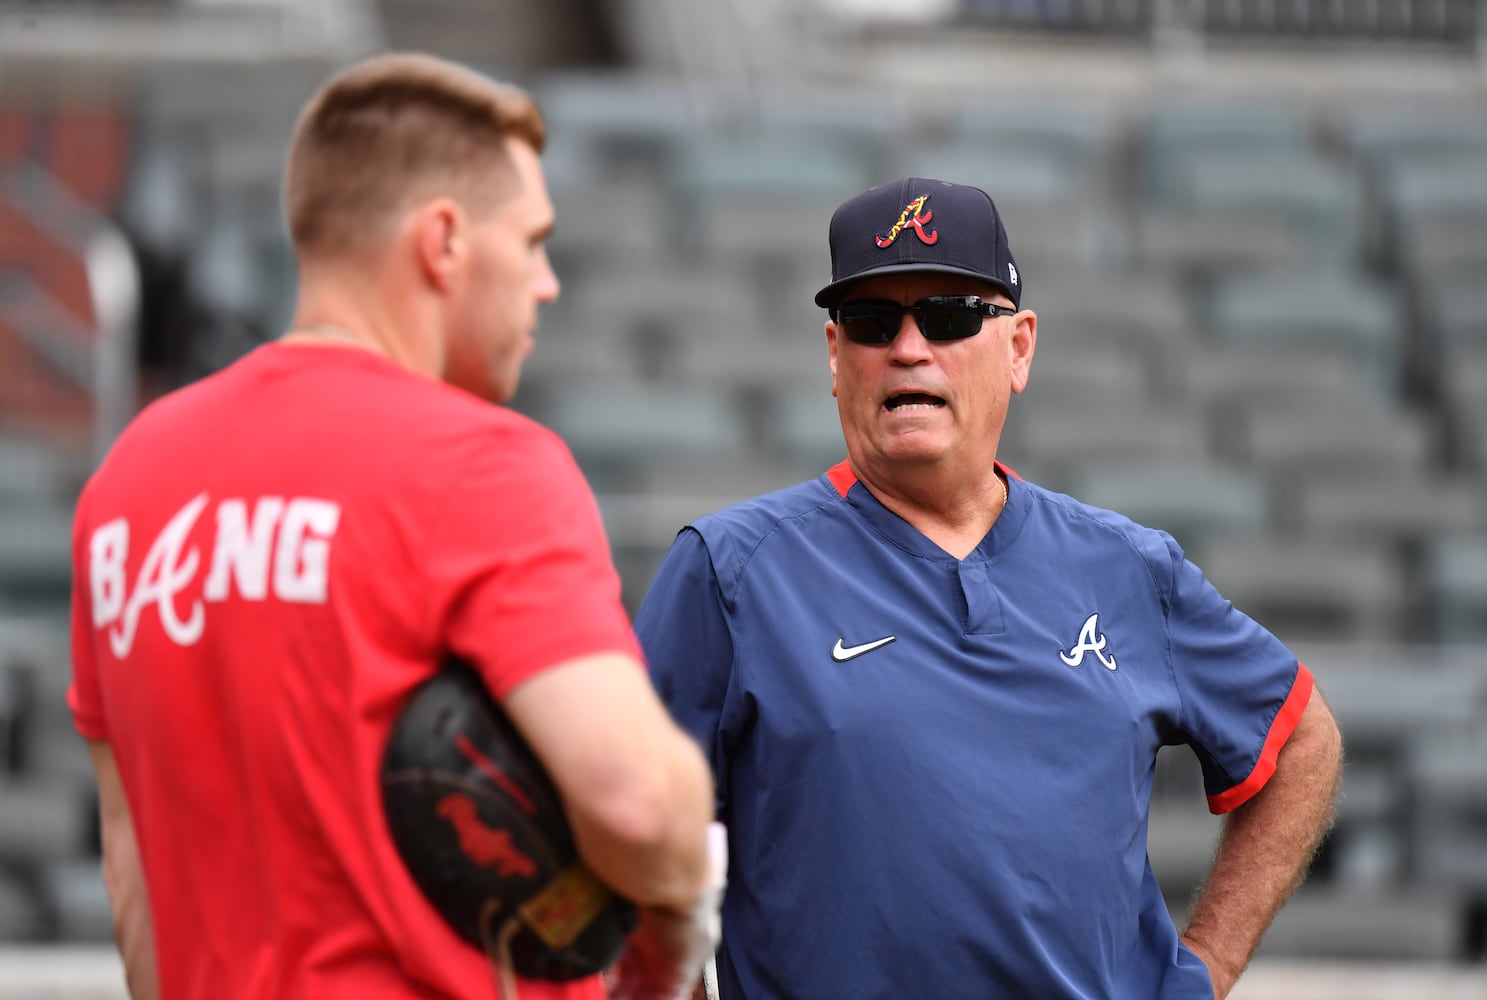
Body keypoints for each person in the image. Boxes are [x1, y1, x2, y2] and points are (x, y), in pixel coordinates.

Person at [69, 52, 718, 1000]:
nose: (546, 283)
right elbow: (637, 800)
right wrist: (674, 918)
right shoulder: (483, 464)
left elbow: (134, 887)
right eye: (532, 241)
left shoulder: (125, 485)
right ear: (443, 241)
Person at [633, 177, 1344, 1000]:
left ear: (1018, 348)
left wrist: (1206, 969)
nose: (906, 348)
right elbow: (627, 837)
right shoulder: (730, 570)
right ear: (834, 356)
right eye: (870, 322)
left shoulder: (1127, 567)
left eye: (948, 316)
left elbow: (1300, 740)